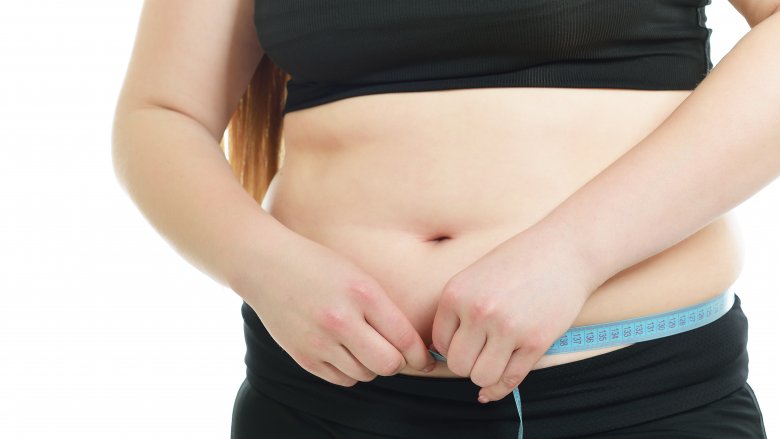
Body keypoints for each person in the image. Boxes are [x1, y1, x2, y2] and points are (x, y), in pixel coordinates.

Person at [111, 0, 777, 437]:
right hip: (322, 402)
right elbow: (163, 112)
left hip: (633, 400)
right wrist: (265, 266)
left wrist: (576, 252)